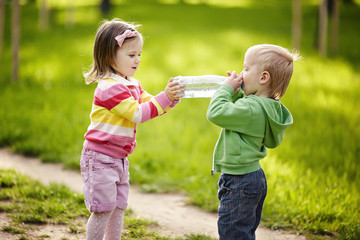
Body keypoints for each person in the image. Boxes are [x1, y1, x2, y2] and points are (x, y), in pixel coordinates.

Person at [80, 19, 184, 240]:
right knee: (103, 210)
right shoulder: (108, 87)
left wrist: (170, 99)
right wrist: (164, 99)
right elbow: (139, 113)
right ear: (109, 56)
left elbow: (150, 104)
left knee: (118, 209)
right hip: (100, 158)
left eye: (139, 55)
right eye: (131, 55)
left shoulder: (131, 83)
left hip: (118, 158)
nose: (137, 60)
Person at [206, 44, 299, 240]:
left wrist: (224, 90)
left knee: (233, 233)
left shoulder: (251, 110)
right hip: (251, 178)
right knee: (243, 231)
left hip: (239, 181)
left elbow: (216, 113)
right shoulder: (265, 107)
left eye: (246, 69)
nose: (241, 73)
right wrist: (237, 92)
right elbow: (240, 111)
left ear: (263, 78)